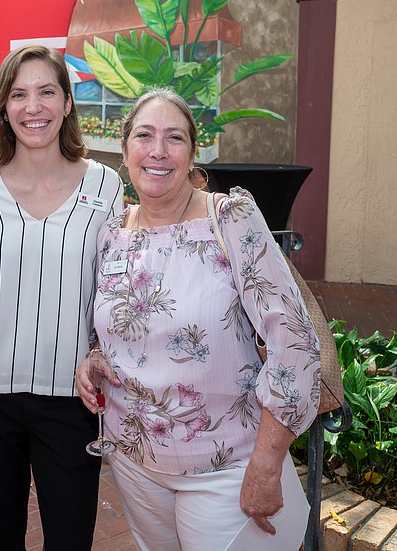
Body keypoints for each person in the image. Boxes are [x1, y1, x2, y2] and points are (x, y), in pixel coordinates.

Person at [75, 87, 320, 550]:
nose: (158, 151)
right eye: (144, 136)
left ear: (192, 153)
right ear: (125, 150)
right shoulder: (112, 234)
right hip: (136, 463)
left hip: (229, 467)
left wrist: (267, 465)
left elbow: (294, 342)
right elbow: (112, 326)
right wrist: (93, 356)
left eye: (175, 138)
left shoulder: (230, 219)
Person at [0, 45, 124, 550]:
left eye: (47, 92)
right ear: (3, 108)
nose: (34, 107)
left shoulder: (106, 185)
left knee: (71, 540)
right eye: (19, 94)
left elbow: (113, 291)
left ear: (68, 103)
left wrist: (99, 351)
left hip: (71, 398)